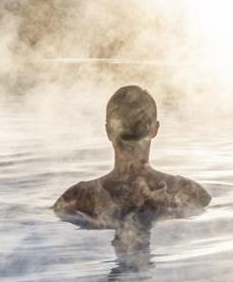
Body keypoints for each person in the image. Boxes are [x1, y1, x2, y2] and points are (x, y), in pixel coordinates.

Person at [54, 85, 211, 229]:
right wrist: (166, 207)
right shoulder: (188, 192)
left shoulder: (79, 197)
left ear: (109, 131)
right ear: (154, 129)